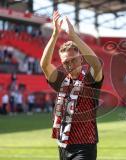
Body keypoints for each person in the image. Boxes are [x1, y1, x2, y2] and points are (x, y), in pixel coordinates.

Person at [40, 11, 103, 160]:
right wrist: (55, 34)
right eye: (65, 62)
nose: (69, 64)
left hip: (85, 146)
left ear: (81, 59)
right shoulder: (62, 81)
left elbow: (96, 63)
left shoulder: (90, 79)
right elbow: (44, 64)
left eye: (73, 60)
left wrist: (74, 36)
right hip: (63, 145)